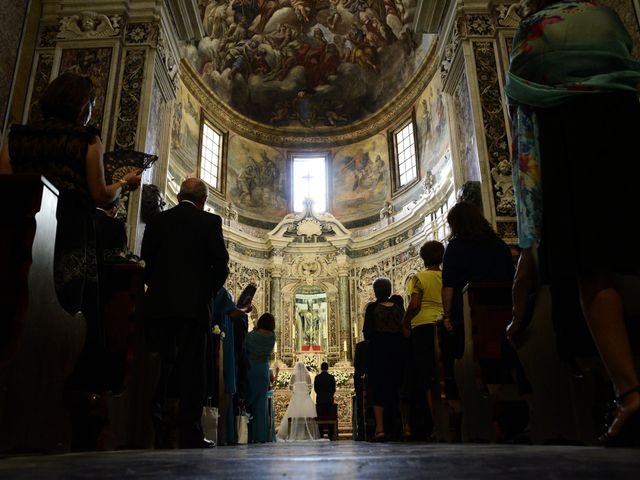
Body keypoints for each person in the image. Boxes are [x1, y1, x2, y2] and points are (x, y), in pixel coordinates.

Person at [505, 0, 640, 446]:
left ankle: (631, 395)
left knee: (592, 272)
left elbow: (523, 119)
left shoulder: (533, 30)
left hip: (567, 146)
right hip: (625, 128)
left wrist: (529, 235)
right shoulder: (606, 16)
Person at [0, 72, 140, 317]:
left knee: (15, 304)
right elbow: (100, 195)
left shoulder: (17, 137)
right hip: (68, 232)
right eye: (91, 106)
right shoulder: (86, 139)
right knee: (66, 308)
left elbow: (6, 186)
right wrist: (123, 183)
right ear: (82, 105)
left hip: (21, 231)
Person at [141, 177, 229, 449]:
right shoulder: (210, 222)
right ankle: (190, 433)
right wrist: (206, 293)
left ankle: (150, 428)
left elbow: (146, 261)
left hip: (159, 307)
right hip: (194, 309)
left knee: (159, 365)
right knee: (193, 370)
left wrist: (159, 289)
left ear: (178, 196)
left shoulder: (158, 221)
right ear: (203, 201)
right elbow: (222, 266)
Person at [442, 201, 531, 440]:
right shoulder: (500, 244)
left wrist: (447, 315)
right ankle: (518, 414)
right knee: (506, 359)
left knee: (469, 363)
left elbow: (449, 285)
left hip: (470, 314)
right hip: (504, 312)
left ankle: (482, 417)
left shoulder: (455, 247)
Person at [402, 240, 445, 440]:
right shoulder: (446, 276)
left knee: (425, 377)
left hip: (423, 327)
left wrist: (405, 321)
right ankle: (449, 420)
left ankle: (432, 423)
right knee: (445, 372)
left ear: (422, 258)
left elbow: (415, 304)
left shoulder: (418, 277)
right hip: (443, 325)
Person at [362, 277, 405, 442]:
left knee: (378, 388)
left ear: (375, 292)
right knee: (398, 386)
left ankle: (380, 429)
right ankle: (404, 427)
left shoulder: (373, 308)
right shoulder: (399, 307)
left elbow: (367, 333)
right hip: (398, 350)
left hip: (379, 351)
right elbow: (404, 327)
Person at [210, 286, 252, 445]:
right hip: (223, 342)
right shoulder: (222, 294)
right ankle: (223, 431)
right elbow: (235, 313)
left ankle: (217, 429)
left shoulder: (215, 293)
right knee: (226, 381)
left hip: (220, 338)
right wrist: (245, 309)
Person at [245, 312, 276, 443]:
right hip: (264, 371)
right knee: (261, 406)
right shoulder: (272, 336)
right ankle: (260, 436)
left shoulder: (252, 335)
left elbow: (245, 346)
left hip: (251, 368)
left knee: (247, 402)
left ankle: (247, 434)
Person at [277, 361, 321, 441]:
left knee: (294, 415)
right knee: (308, 416)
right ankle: (307, 433)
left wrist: (295, 391)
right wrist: (306, 392)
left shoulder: (294, 375)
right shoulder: (307, 375)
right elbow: (310, 386)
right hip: (305, 398)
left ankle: (292, 433)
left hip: (296, 398)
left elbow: (290, 387)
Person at [314, 362, 336, 439]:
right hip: (329, 400)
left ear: (321, 368)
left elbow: (315, 389)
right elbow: (334, 389)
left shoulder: (317, 377)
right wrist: (330, 395)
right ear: (327, 368)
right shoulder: (331, 377)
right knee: (329, 416)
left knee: (321, 416)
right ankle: (331, 434)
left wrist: (320, 395)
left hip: (320, 400)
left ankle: (321, 434)